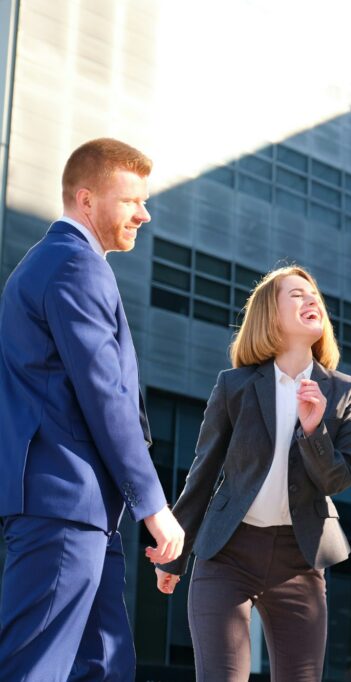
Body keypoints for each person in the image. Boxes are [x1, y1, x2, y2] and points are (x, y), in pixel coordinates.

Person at [0, 138, 185, 680]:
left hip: (85, 513)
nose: (144, 214)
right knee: (37, 668)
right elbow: (106, 396)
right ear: (86, 200)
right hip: (63, 506)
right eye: (131, 201)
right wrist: (154, 506)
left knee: (105, 664)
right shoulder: (72, 266)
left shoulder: (58, 263)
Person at [153, 265, 351, 681]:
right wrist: (174, 554)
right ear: (270, 314)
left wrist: (313, 429)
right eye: (297, 295)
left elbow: (338, 480)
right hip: (228, 553)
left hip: (300, 560)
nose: (312, 301)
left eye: (314, 295)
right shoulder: (235, 385)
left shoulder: (345, 390)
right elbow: (203, 471)